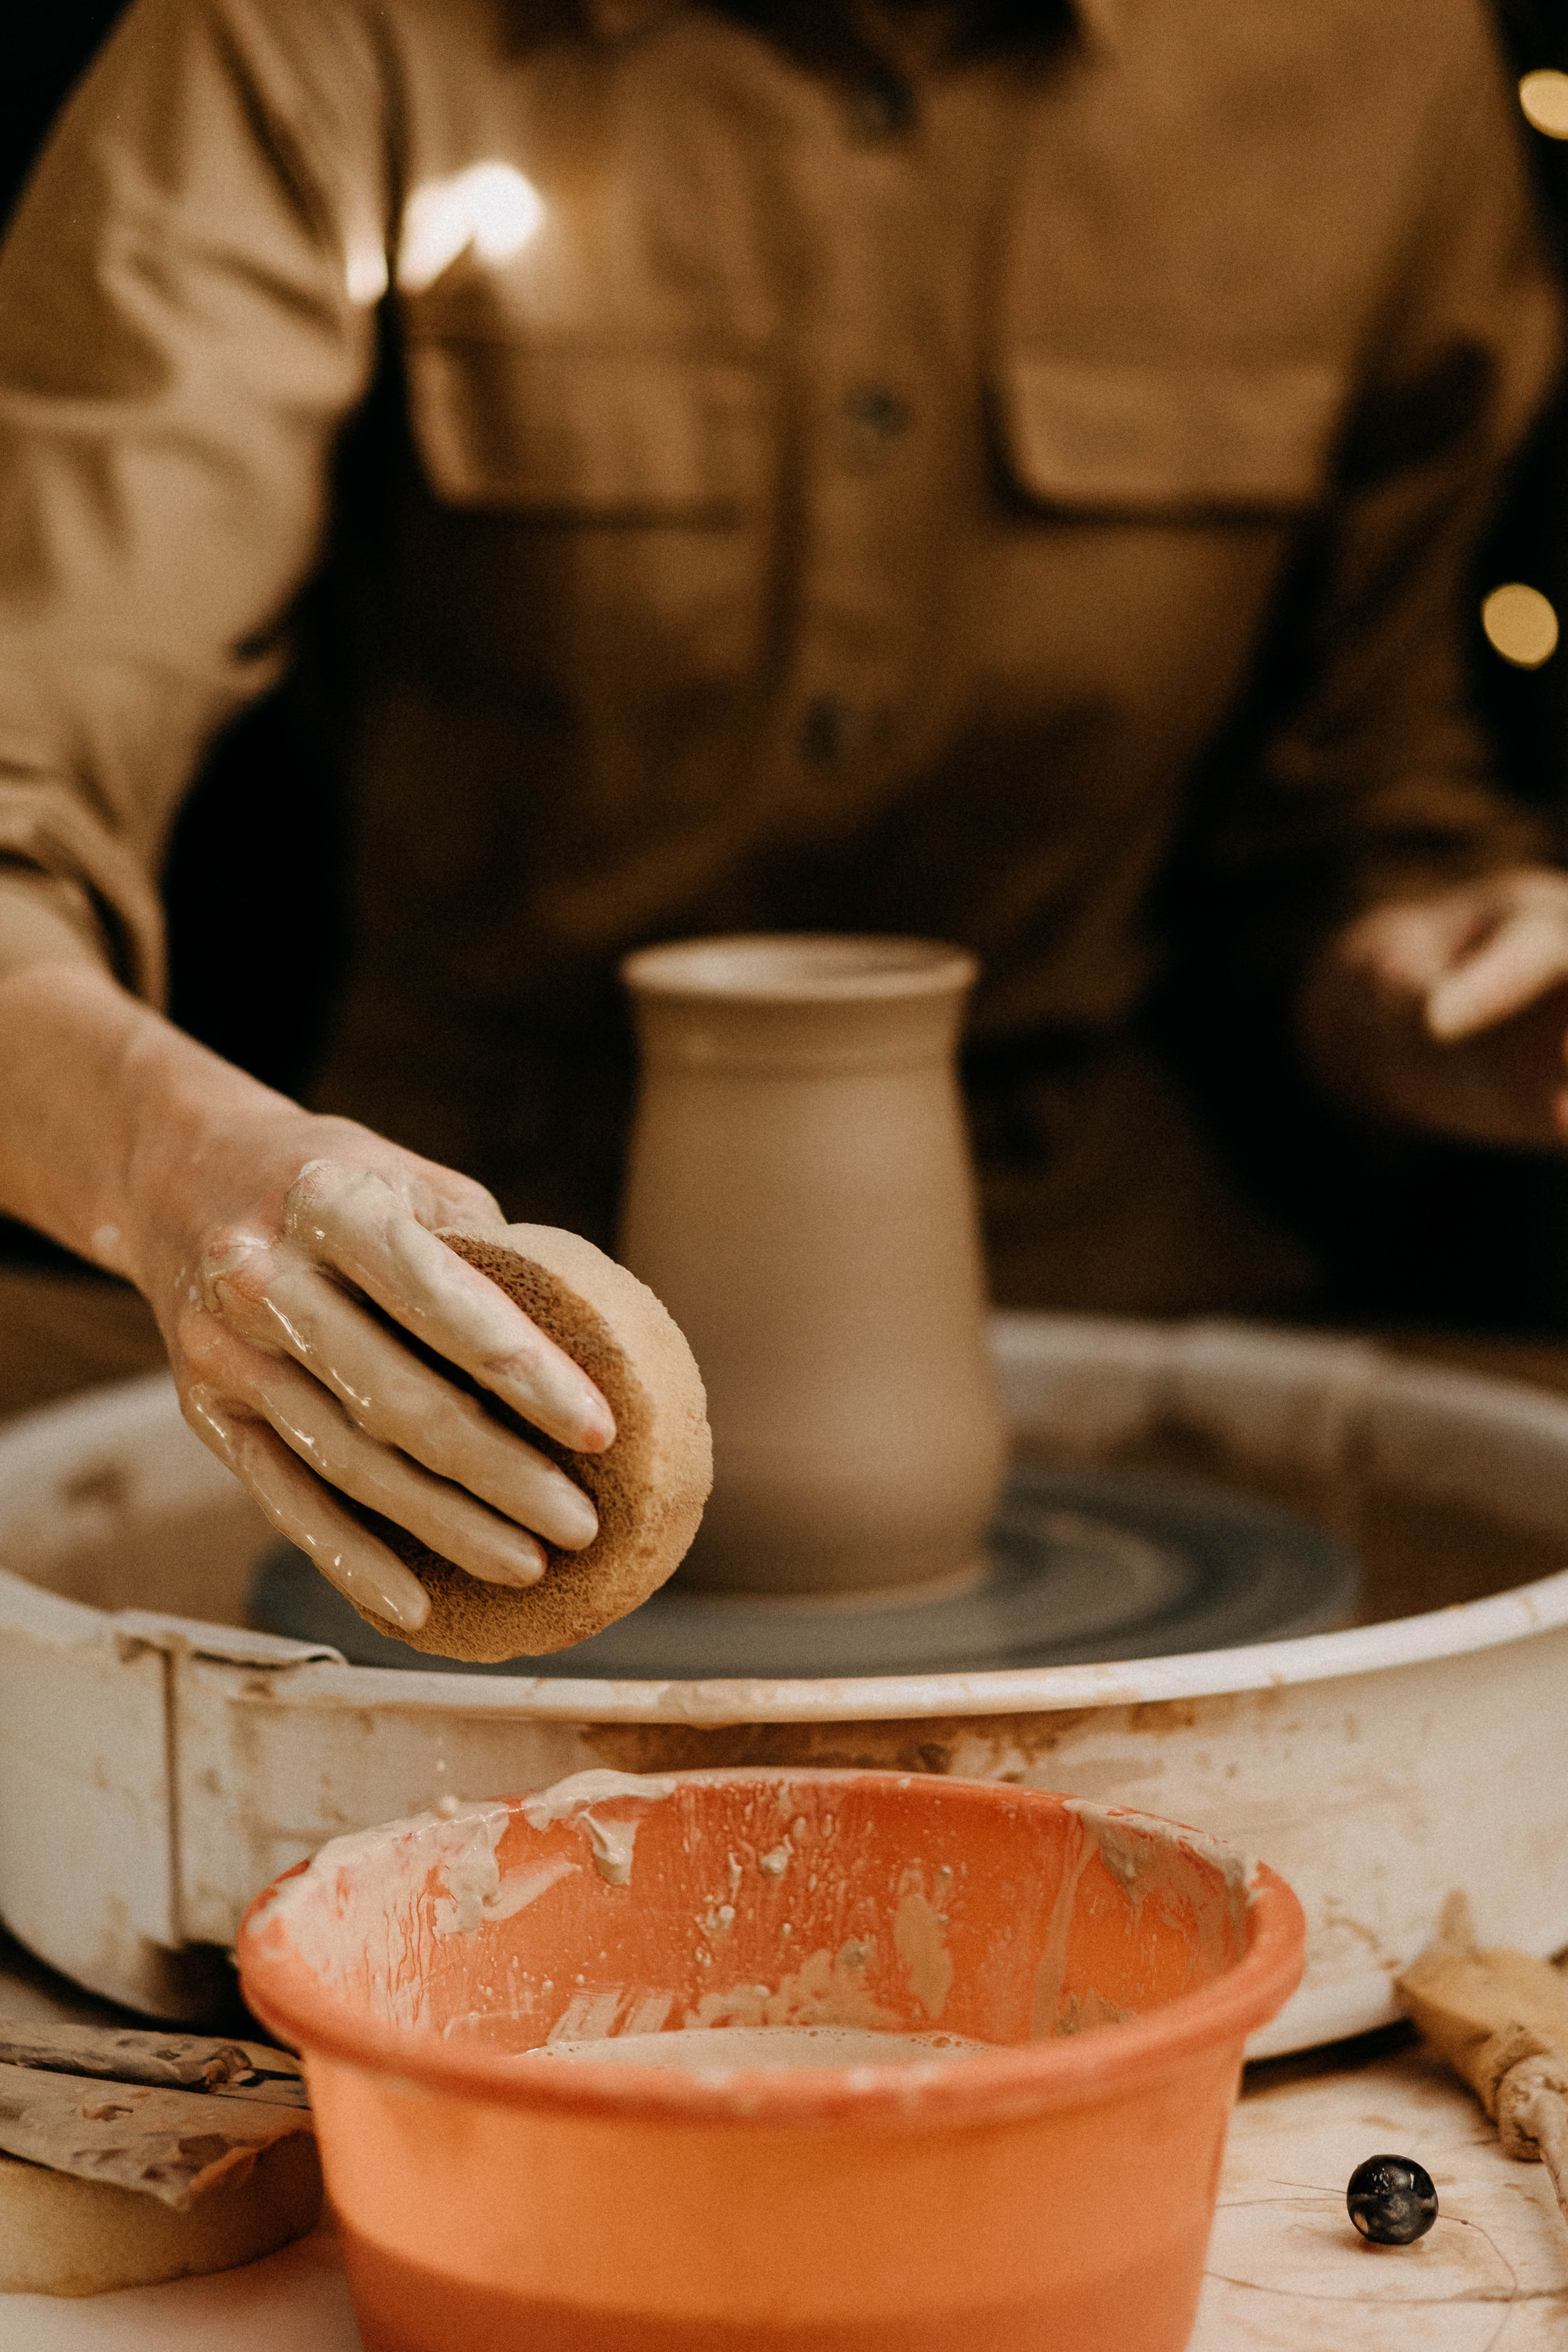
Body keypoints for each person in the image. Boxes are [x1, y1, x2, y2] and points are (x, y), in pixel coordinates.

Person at [1, 0, 1566, 1634]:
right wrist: (184, 1179)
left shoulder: (1371, 51)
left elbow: (1355, 814)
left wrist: (1437, 994)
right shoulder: (310, 31)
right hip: (456, 1291)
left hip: (1110, 1274)